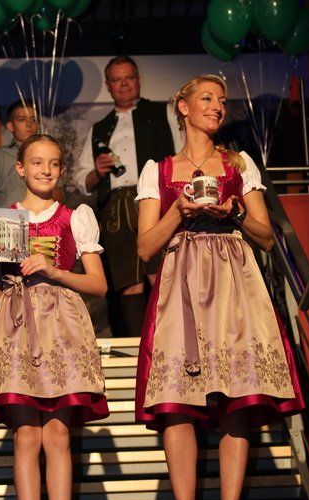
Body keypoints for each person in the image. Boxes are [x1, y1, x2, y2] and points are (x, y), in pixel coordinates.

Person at [134, 74, 305, 500]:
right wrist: (178, 211)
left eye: (222, 101)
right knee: (176, 400)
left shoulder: (238, 163)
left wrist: (235, 213)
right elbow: (145, 248)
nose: (217, 106)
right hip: (181, 286)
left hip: (233, 281)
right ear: (183, 107)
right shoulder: (159, 170)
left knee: (235, 398)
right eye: (207, 98)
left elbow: (266, 237)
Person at [0, 133, 109, 500]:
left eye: (54, 163)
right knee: (26, 435)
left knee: (58, 433)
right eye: (37, 162)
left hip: (63, 327)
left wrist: (54, 270)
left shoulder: (74, 217)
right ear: (20, 168)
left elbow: (98, 285)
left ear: (61, 169)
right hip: (16, 327)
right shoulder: (2, 221)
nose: (46, 170)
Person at [75, 55, 182, 336]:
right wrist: (98, 171)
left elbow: (183, 152)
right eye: (117, 80)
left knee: (160, 274)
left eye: (129, 78)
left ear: (138, 80)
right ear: (108, 85)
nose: (123, 84)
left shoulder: (163, 112)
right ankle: (138, 345)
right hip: (116, 209)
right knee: (128, 281)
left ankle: (169, 340)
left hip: (156, 199)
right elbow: (82, 181)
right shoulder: (99, 128)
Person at [0, 100, 38, 208]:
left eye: (33, 119)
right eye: (22, 119)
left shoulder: (44, 154)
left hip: (38, 216)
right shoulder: (0, 155)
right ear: (11, 126)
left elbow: (56, 191)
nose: (29, 124)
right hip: (6, 216)